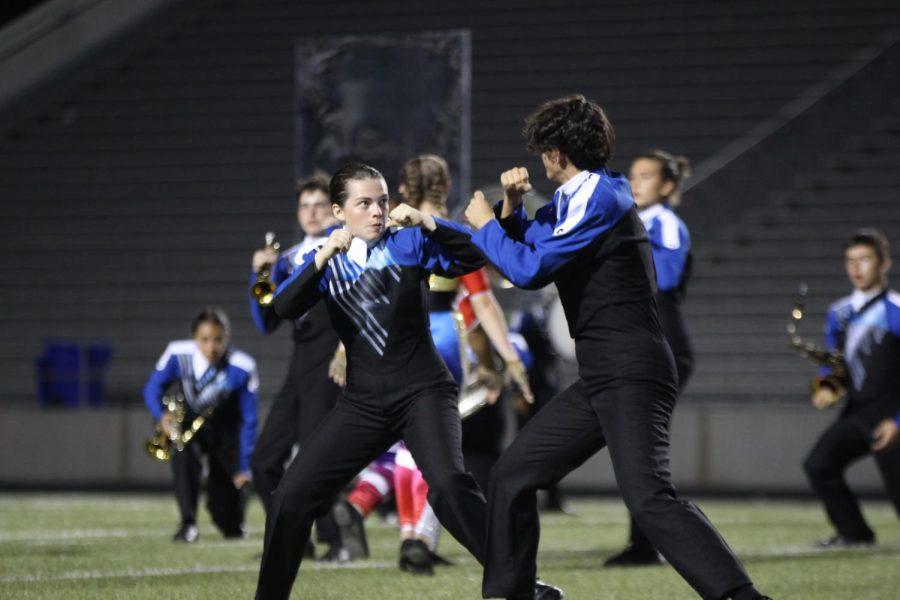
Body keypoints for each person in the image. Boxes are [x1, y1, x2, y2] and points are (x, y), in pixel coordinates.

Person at [465, 95, 770, 600]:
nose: (541, 159)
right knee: (513, 475)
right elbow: (526, 243)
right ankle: (515, 594)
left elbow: (526, 269)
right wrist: (508, 210)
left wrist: (484, 225)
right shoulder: (577, 199)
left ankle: (743, 598)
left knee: (649, 498)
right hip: (603, 374)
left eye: (543, 149)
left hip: (633, 369)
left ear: (558, 153)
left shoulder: (602, 198)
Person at [254, 163, 491, 600]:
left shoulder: (410, 242)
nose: (378, 211)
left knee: (449, 486)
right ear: (339, 212)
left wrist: (430, 221)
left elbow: (478, 253)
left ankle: (518, 583)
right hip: (363, 403)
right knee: (291, 494)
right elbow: (283, 306)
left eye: (382, 201)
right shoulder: (327, 260)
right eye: (364, 203)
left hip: (423, 391)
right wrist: (321, 257)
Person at [247, 174, 346, 560]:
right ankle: (294, 541)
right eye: (305, 206)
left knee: (314, 458)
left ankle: (336, 539)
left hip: (330, 362)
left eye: (319, 205)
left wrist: (344, 350)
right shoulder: (288, 258)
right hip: (299, 364)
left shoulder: (344, 245)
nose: (311, 213)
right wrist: (261, 275)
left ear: (333, 209)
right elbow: (267, 321)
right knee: (264, 460)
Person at [603, 149, 694, 567]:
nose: (635, 183)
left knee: (641, 449)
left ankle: (648, 544)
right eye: (632, 175)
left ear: (668, 186)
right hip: (648, 339)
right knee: (637, 448)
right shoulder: (638, 221)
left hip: (664, 342)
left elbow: (669, 275)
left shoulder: (665, 222)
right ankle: (644, 543)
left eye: (646, 176)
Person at [803, 228, 900, 547]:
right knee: (819, 464)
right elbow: (834, 363)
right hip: (858, 411)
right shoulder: (839, 312)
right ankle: (855, 533)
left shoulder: (896, 309)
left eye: (865, 259)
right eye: (850, 261)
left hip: (891, 411)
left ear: (884, 264)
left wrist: (897, 422)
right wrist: (826, 387)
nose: (856, 268)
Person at [143, 307, 258, 543]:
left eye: (218, 340)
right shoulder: (178, 353)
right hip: (189, 427)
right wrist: (161, 417)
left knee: (227, 519)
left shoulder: (242, 366)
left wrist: (243, 465)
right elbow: (152, 388)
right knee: (182, 454)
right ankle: (188, 524)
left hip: (225, 433)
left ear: (227, 337)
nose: (211, 347)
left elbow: (249, 419)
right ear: (194, 337)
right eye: (205, 340)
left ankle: (233, 519)